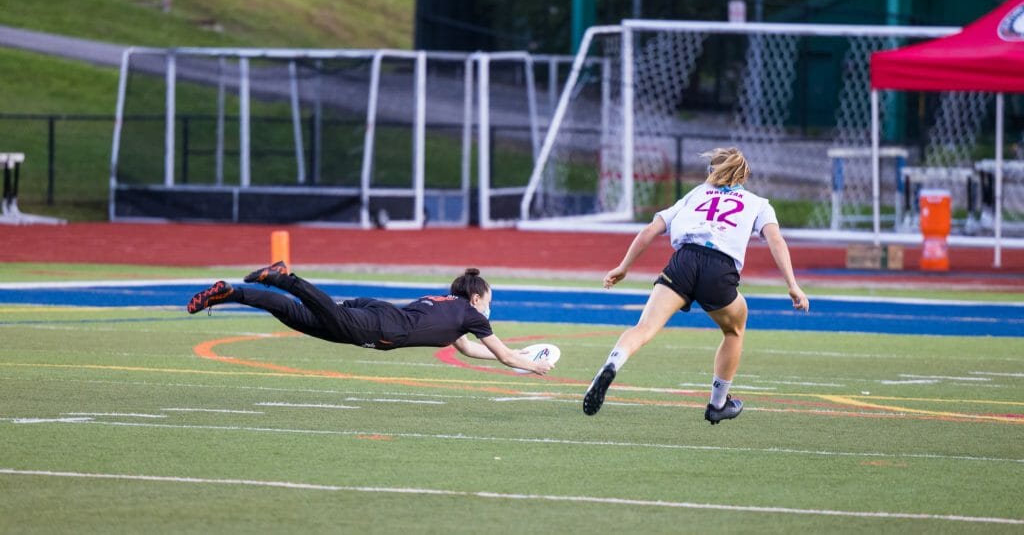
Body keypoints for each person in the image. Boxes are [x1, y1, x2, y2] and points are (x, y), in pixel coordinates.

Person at [583, 147, 809, 424]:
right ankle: (717, 404)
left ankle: (612, 363)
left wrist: (623, 266)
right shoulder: (758, 203)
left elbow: (649, 230)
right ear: (744, 176)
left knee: (644, 327)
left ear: (711, 172)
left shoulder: (695, 195)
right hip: (719, 268)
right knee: (734, 329)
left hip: (683, 262)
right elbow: (776, 240)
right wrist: (792, 284)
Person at [187, 264, 554, 376]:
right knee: (313, 308)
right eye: (489, 301)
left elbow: (472, 352)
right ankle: (285, 277)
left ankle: (230, 292)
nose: (489, 308)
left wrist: (521, 354)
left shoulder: (450, 307)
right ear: (476, 298)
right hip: (381, 328)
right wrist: (531, 366)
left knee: (295, 316)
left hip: (376, 313)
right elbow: (502, 356)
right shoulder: (471, 314)